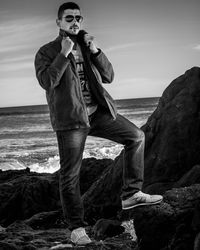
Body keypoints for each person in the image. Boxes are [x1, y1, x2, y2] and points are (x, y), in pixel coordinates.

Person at [35, 2, 163, 245]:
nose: (75, 22)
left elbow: (109, 76)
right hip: (71, 120)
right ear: (59, 22)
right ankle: (76, 228)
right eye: (69, 18)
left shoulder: (86, 46)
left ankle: (131, 193)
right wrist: (63, 54)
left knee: (136, 136)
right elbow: (47, 82)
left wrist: (95, 50)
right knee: (70, 175)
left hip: (97, 113)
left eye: (78, 18)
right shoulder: (47, 51)